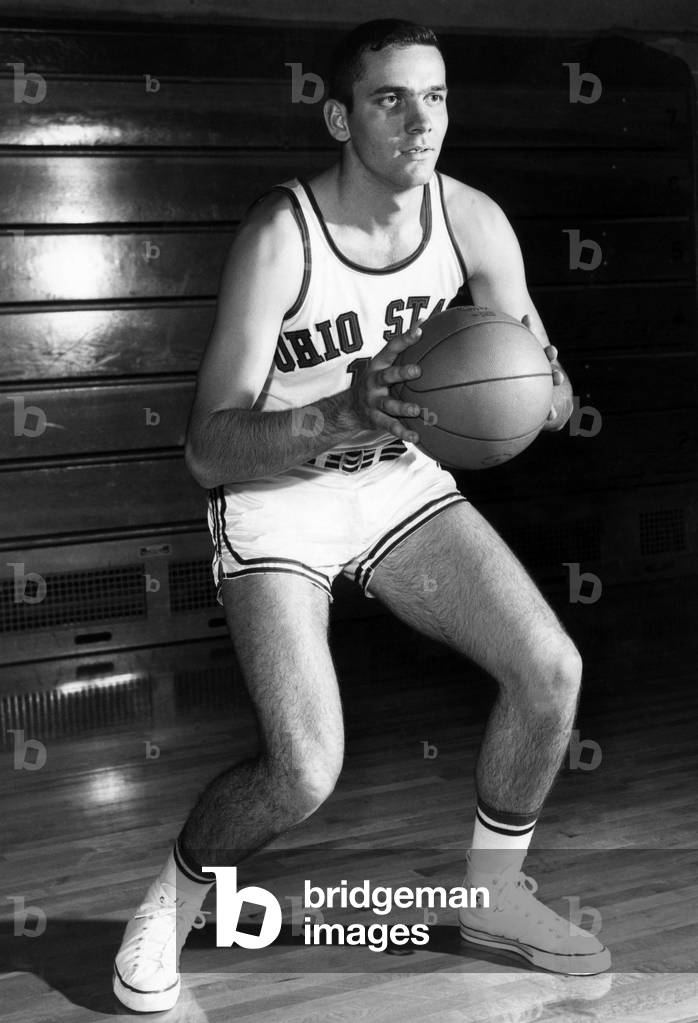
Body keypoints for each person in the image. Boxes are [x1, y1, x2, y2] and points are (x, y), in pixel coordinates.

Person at [112, 19, 610, 1012]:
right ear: (340, 115)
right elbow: (207, 447)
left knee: (550, 670)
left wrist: (525, 395)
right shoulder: (280, 235)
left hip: (392, 478)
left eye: (433, 97)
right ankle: (172, 899)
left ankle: (491, 895)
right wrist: (340, 410)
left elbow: (544, 383)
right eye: (390, 98)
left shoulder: (471, 220)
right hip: (277, 499)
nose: (419, 120)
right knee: (304, 770)